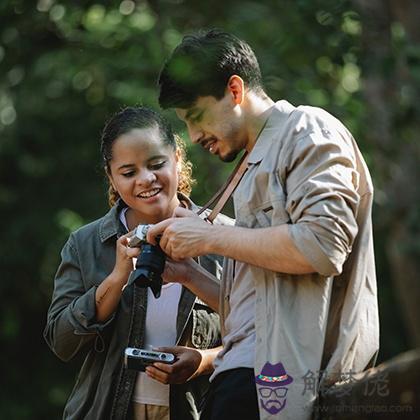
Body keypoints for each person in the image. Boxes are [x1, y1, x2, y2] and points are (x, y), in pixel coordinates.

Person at [146, 29, 380, 420]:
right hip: (243, 376)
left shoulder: (307, 129)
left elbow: (323, 245)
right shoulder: (251, 163)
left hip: (282, 378)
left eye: (198, 117)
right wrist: (186, 272)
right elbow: (258, 306)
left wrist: (211, 236)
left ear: (235, 91)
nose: (193, 135)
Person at [44, 106, 230, 420]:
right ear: (111, 177)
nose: (145, 179)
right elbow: (62, 343)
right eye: (129, 173)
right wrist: (117, 277)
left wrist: (205, 360)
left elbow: (264, 332)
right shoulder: (85, 244)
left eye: (156, 164)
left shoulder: (225, 237)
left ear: (177, 159)